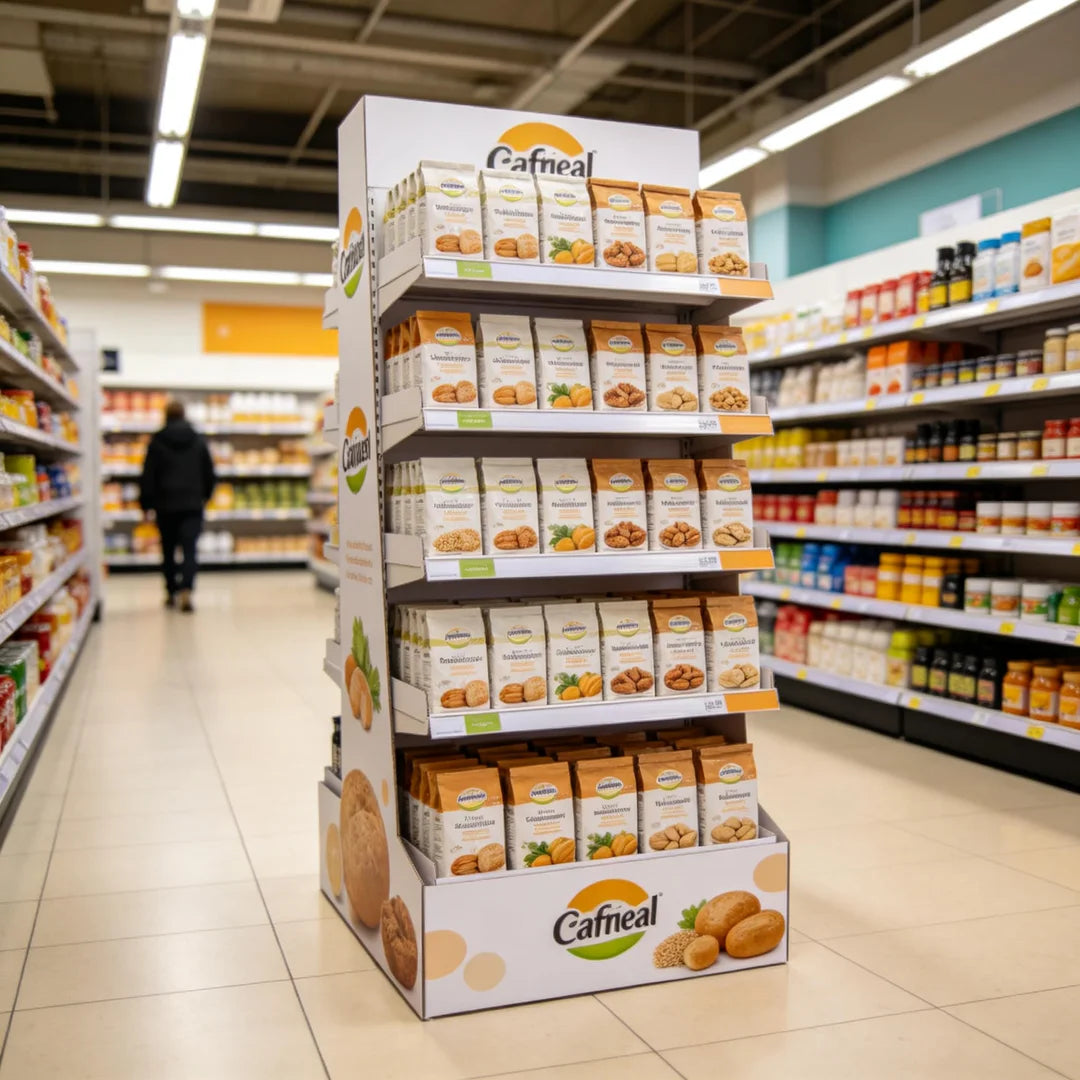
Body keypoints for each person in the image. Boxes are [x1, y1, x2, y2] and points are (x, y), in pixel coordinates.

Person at [139, 399, 216, 612]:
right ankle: (187, 590)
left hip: (165, 505)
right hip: (192, 503)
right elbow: (209, 472)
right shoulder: (198, 440)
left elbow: (148, 475)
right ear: (184, 415)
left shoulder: (157, 441)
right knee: (190, 550)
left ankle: (171, 591)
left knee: (168, 549)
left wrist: (146, 504)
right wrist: (206, 496)